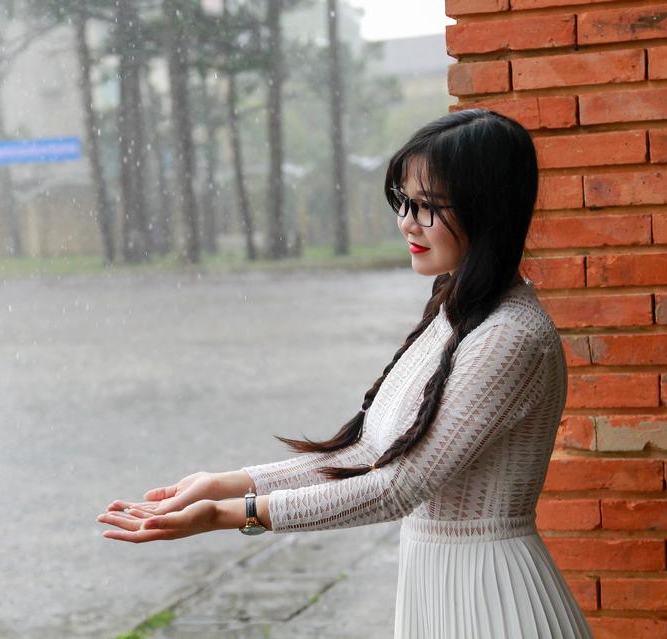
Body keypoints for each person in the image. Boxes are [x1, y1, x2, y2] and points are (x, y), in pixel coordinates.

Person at [96, 109, 594, 638]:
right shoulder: (454, 314)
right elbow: (370, 453)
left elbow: (396, 487)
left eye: (427, 207)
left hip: (493, 597)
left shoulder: (508, 335)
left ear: (487, 210)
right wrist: (221, 484)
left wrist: (229, 515)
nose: (406, 222)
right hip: (439, 584)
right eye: (404, 202)